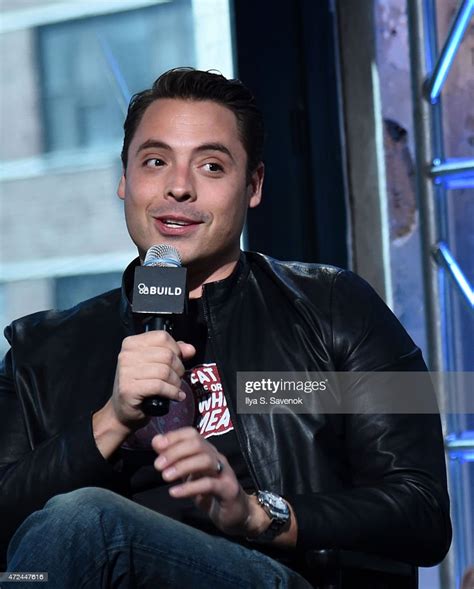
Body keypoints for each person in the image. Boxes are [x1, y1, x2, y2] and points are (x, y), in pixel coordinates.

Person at [0, 68, 451, 588]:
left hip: (281, 576)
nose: (178, 188)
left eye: (211, 166)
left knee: (89, 522)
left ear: (253, 185)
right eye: (154, 161)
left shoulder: (334, 306)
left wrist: (259, 514)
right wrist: (109, 423)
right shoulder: (39, 351)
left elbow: (421, 509)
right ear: (124, 179)